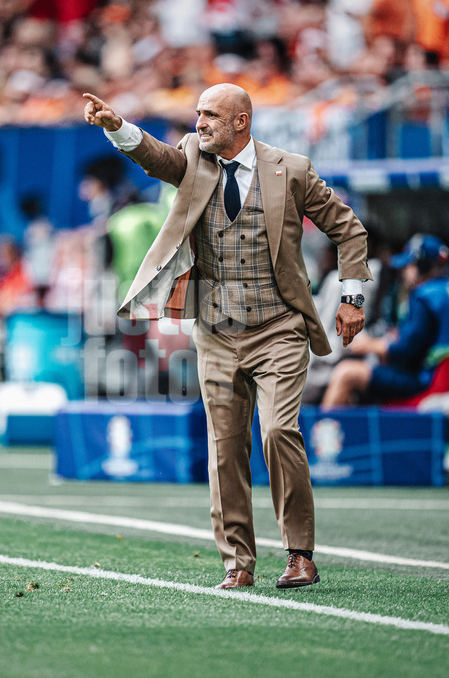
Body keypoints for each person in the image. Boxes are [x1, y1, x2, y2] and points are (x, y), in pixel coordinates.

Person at [83, 84, 372, 591]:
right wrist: (117, 127)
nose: (199, 123)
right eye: (197, 114)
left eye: (210, 115)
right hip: (215, 332)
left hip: (280, 327)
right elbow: (155, 158)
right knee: (225, 447)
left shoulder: (292, 170)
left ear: (241, 122)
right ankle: (238, 563)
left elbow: (348, 229)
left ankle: (300, 554)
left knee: (278, 431)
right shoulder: (194, 158)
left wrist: (352, 298)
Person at [323, 234, 449, 407]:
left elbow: (407, 349)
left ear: (423, 266)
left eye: (408, 266)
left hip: (426, 382)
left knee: (345, 373)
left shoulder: (423, 296)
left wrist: (371, 345)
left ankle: (322, 425)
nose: (403, 272)